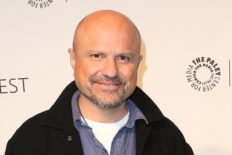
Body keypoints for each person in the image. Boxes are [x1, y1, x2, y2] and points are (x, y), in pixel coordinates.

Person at [5, 10, 193, 155]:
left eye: (123, 58)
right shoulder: (30, 141)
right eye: (97, 56)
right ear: (73, 59)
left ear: (138, 63)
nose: (111, 71)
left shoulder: (168, 138)